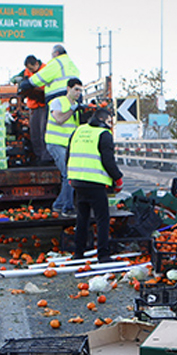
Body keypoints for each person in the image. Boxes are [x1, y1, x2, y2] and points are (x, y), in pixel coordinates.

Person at [67, 107, 122, 261]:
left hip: (78, 181)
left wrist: (71, 176)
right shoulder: (103, 134)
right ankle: (103, 254)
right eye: (110, 121)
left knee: (82, 218)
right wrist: (117, 178)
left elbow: (69, 154)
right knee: (102, 218)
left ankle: (78, 253)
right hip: (95, 183)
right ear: (104, 120)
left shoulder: (78, 130)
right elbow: (108, 161)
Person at [19, 45, 79, 162]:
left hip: (57, 100)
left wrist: (27, 83)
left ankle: (48, 157)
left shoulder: (56, 63)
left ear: (56, 53)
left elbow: (41, 78)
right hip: (68, 100)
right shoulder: (71, 65)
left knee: (49, 130)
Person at [45, 77, 84, 215]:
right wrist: (73, 110)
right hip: (56, 143)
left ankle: (59, 204)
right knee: (68, 175)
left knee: (70, 175)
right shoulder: (57, 102)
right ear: (68, 89)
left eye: (80, 90)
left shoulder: (77, 108)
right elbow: (59, 119)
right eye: (76, 89)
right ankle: (67, 207)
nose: (78, 93)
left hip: (69, 146)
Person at [16, 55, 48, 163]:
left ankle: (45, 157)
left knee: (43, 131)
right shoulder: (26, 71)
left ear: (37, 64)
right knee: (35, 132)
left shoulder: (46, 69)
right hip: (33, 106)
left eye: (31, 68)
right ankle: (38, 156)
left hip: (44, 104)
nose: (30, 71)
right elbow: (15, 79)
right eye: (28, 69)